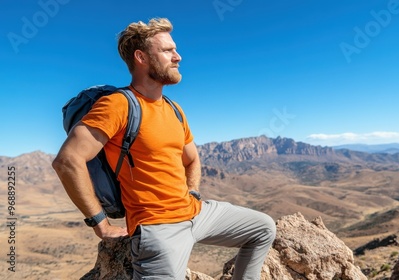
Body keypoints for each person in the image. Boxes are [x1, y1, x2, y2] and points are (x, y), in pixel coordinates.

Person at [52, 18, 276, 279]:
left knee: (263, 228)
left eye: (175, 49)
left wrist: (192, 191)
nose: (178, 57)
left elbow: (192, 160)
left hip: (198, 213)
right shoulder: (119, 105)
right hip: (158, 229)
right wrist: (99, 223)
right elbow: (68, 160)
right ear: (141, 57)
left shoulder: (174, 108)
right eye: (168, 50)